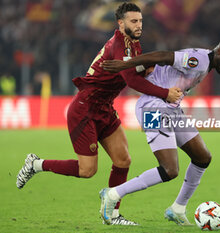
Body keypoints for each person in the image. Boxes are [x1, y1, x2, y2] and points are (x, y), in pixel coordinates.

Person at [16, 2, 182, 226]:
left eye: (140, 20)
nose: (139, 25)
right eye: (134, 21)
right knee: (87, 171)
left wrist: (149, 68)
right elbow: (131, 80)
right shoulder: (119, 45)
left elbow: (136, 73)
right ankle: (37, 164)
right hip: (84, 107)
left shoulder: (134, 45)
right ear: (121, 23)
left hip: (104, 107)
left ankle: (112, 214)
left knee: (123, 160)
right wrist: (164, 93)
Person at [98, 35, 220, 225]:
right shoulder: (198, 61)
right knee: (169, 169)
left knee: (202, 157)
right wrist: (125, 65)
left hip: (171, 109)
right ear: (219, 51)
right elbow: (163, 56)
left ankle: (178, 209)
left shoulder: (204, 63)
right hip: (152, 108)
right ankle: (113, 194)